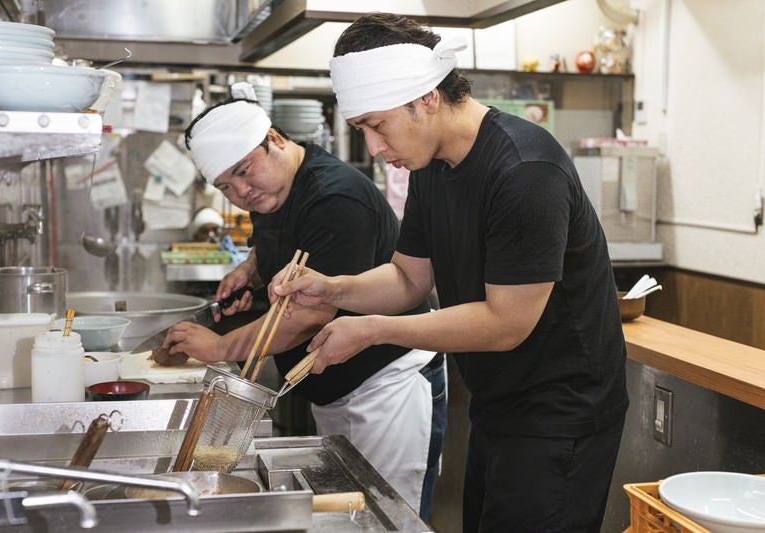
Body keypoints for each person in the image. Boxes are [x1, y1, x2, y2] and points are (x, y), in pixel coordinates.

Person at [271, 13, 629, 533]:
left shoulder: (525, 170)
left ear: (428, 98)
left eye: (377, 125)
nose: (373, 146)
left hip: (561, 412)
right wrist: (334, 288)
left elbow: (506, 323)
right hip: (498, 400)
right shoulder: (432, 165)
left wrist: (373, 330)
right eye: (362, 129)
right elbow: (408, 278)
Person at [163, 82, 446, 521]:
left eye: (243, 171)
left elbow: (306, 317)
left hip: (387, 388)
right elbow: (277, 240)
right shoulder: (273, 187)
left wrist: (219, 348)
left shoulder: (336, 199)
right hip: (335, 385)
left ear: (275, 139)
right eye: (225, 187)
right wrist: (251, 271)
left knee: (388, 518)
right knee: (347, 517)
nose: (241, 193)